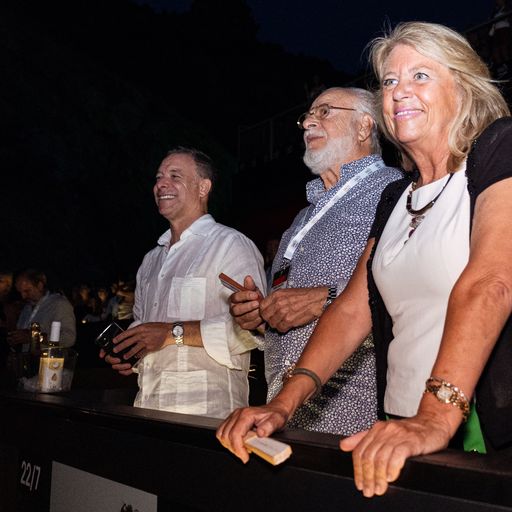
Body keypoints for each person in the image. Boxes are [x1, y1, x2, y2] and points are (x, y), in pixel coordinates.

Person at [217, 21, 512, 497]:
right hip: (398, 425)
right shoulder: (395, 198)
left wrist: (435, 417)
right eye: (390, 81)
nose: (398, 92)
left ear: (463, 87)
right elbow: (351, 311)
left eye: (420, 76)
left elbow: (492, 281)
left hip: (473, 426)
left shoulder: (497, 150)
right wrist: (282, 405)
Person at [228, 87, 402, 435]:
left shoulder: (395, 191)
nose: (308, 121)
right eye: (306, 116)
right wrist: (263, 316)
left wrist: (327, 298)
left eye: (324, 112)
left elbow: (415, 287)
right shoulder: (300, 220)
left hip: (357, 414)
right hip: (284, 412)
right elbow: (294, 314)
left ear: (364, 126)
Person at [102, 147, 266, 419]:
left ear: (203, 187)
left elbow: (251, 330)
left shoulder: (230, 245)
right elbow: (145, 328)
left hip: (206, 414)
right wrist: (129, 350)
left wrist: (171, 333)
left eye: (175, 176)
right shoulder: (151, 260)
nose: (161, 184)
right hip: (147, 406)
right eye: (158, 177)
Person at [9, 268, 76, 348]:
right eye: (20, 292)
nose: (23, 296)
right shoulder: (27, 308)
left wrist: (34, 338)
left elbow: (69, 338)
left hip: (50, 356)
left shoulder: (59, 304)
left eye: (27, 291)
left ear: (40, 286)